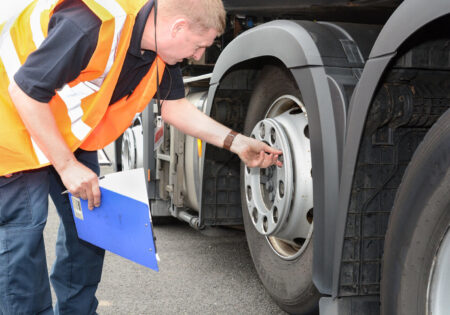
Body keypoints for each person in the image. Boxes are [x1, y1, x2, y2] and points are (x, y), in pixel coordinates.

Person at [0, 0, 282, 314]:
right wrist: (66, 166)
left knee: (91, 232)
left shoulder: (161, 52)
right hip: (11, 120)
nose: (199, 55)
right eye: (199, 45)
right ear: (178, 28)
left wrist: (237, 142)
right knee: (23, 236)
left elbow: (175, 108)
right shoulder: (91, 24)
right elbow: (25, 92)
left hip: (64, 128)